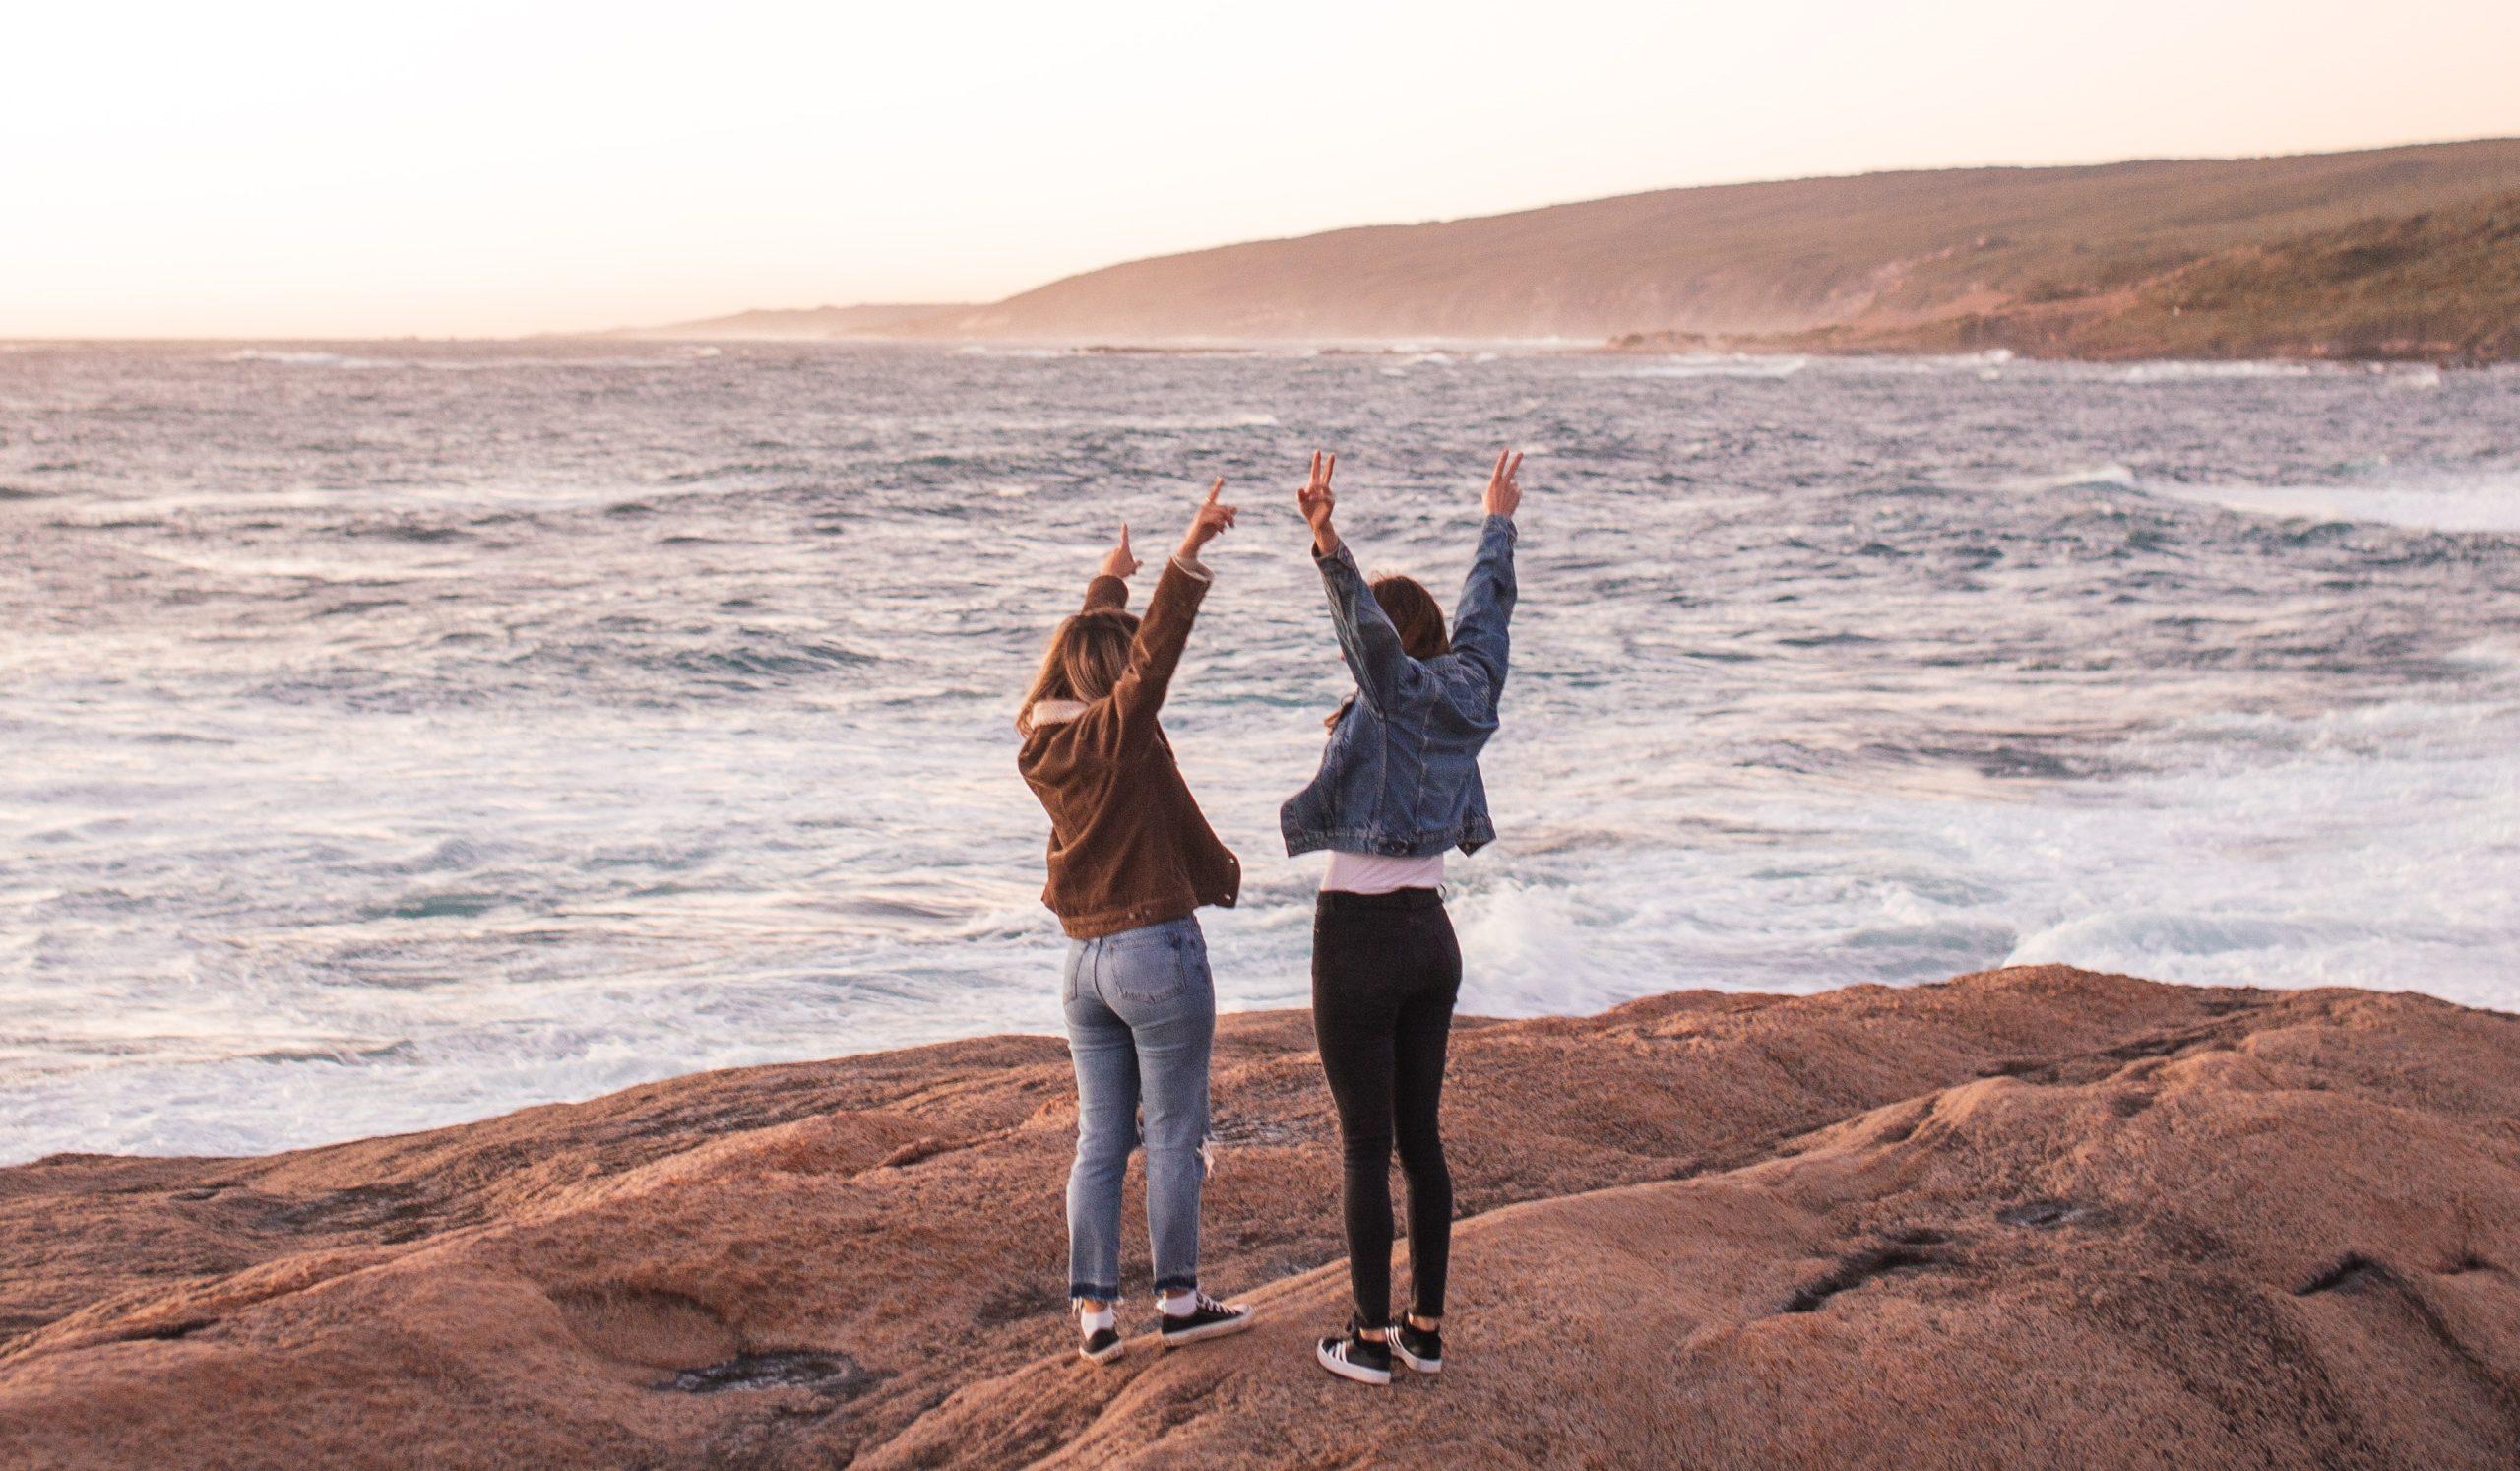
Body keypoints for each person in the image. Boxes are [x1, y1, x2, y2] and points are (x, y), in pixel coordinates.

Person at [1282, 447, 1524, 1386]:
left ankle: (1369, 1340)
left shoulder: (1396, 692)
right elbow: (1488, 616)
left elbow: (1368, 641)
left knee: (1363, 1144)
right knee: (1421, 1144)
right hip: (1433, 938)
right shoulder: (1469, 690)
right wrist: (1496, 523)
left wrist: (1324, 540)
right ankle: (1425, 1329)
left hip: (1359, 942)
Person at [1016, 479, 1257, 1365]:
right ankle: (1181, 1300)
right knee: (1173, 1138)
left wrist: (1105, 586)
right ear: (1111, 684)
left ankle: (1095, 1317)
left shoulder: (1044, 745)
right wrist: (1185, 553)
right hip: (1156, 952)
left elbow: (1082, 659)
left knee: (1099, 1142)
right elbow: (1150, 660)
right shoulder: (1119, 733)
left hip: (1082, 966)